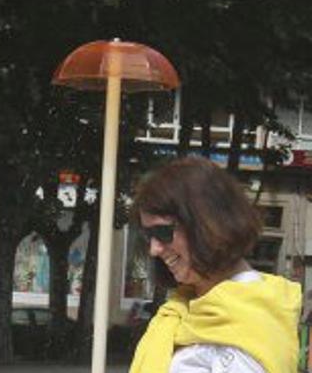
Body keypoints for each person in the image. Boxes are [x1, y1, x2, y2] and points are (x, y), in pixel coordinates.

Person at [129, 157, 301, 373]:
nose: (154, 249)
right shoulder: (189, 306)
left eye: (162, 232)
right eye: (148, 235)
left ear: (207, 225)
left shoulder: (244, 328)